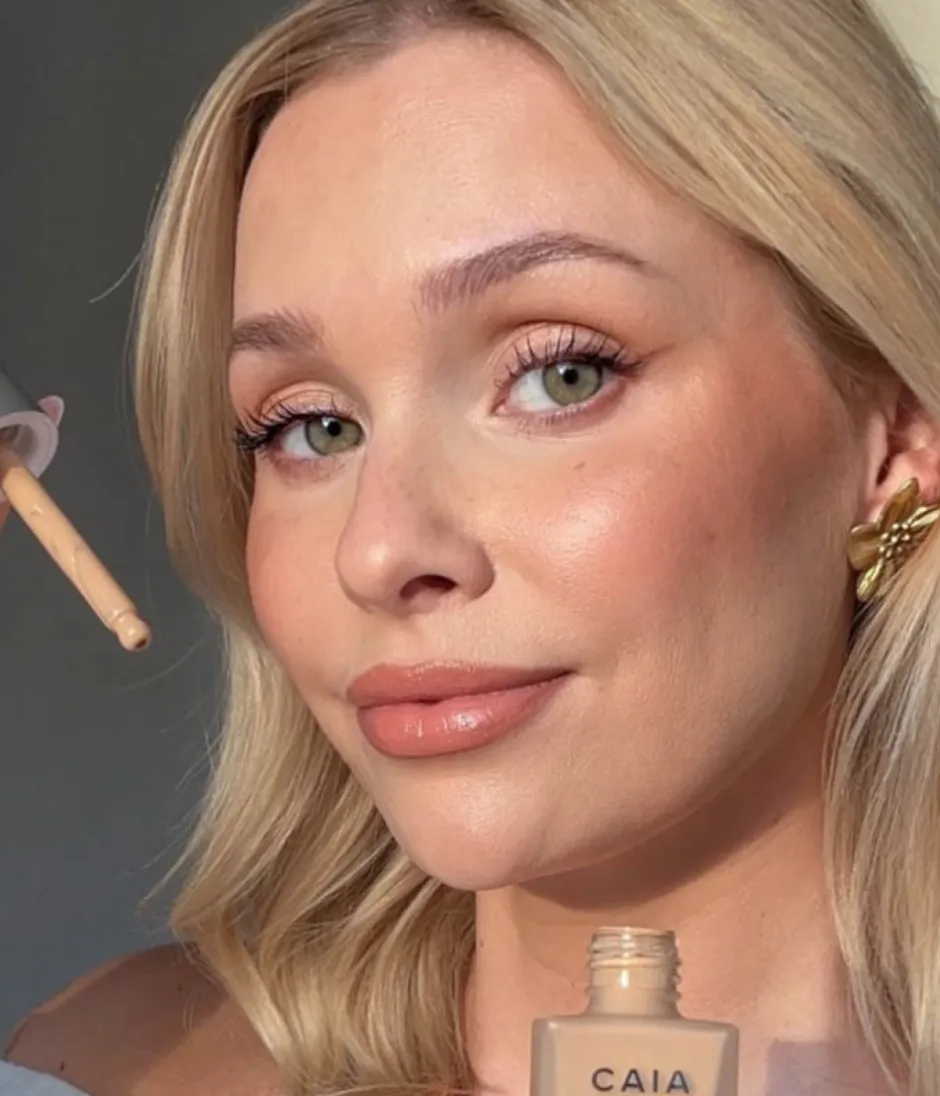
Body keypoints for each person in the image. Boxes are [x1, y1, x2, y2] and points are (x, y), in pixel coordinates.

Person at [4, 0, 940, 1092]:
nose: (378, 550)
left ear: (897, 435)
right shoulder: (98, 1067)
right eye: (313, 428)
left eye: (560, 375)